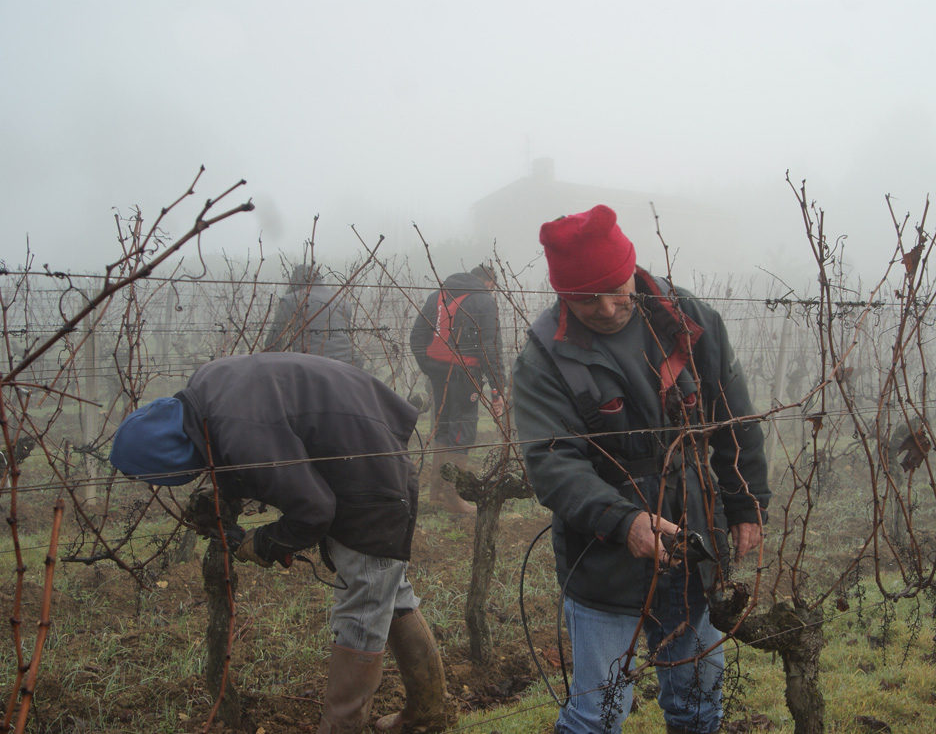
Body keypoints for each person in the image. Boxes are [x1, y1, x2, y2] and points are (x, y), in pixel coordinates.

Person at [511, 205, 770, 734]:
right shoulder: (544, 356)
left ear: (632, 267)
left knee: (699, 702)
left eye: (616, 289)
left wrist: (746, 505)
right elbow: (553, 461)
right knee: (596, 715)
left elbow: (733, 417)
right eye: (587, 300)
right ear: (563, 294)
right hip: (603, 557)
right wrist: (622, 520)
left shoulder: (689, 320)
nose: (607, 309)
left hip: (695, 543)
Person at [108, 352, 450, 734]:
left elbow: (313, 510)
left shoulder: (235, 429)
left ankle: (342, 728)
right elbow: (266, 449)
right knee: (390, 592)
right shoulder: (205, 388)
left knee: (365, 604)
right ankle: (428, 713)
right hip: (362, 446)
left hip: (369, 477)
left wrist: (265, 542)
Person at [410, 264, 506, 514]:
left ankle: (437, 495)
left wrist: (430, 368)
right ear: (489, 283)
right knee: (462, 428)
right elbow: (490, 347)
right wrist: (498, 390)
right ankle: (454, 500)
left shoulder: (438, 295)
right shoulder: (484, 301)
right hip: (466, 375)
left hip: (438, 372)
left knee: (442, 428)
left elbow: (417, 335)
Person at [265, 263, 363, 368]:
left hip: (309, 366)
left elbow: (273, 342)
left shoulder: (291, 299)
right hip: (349, 365)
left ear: (294, 281)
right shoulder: (342, 301)